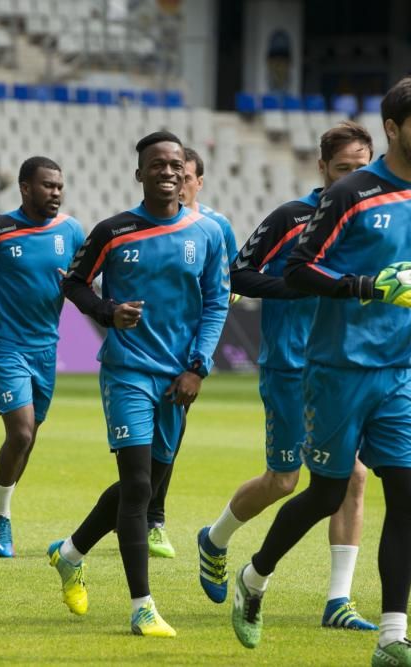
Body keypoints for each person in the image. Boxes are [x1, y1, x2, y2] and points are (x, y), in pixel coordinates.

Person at [228, 77, 411, 667]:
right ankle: (254, 577)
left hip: (395, 369)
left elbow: (401, 276)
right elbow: (300, 272)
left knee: (406, 491)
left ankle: (392, 639)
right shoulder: (350, 192)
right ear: (391, 130)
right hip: (333, 369)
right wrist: (362, 287)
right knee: (326, 492)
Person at [48, 131, 229, 637]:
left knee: (144, 487)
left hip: (179, 378)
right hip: (127, 369)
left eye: (175, 164)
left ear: (186, 172)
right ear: (140, 173)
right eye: (157, 165)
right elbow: (74, 282)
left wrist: (198, 367)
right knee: (138, 487)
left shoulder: (208, 233)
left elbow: (216, 303)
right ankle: (141, 606)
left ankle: (69, 553)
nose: (168, 172)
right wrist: (107, 311)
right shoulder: (114, 231)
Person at [197, 122, 377, 633]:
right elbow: (238, 273)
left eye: (363, 169)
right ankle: (215, 538)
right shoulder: (292, 217)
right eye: (345, 169)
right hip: (289, 365)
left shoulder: (374, 224)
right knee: (284, 480)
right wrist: (299, 287)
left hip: (343, 367)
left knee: (353, 477)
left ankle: (338, 602)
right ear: (322, 169)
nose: (355, 178)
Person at [0, 157, 84, 558]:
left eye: (59, 186)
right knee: (21, 433)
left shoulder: (71, 231)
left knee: (26, 441)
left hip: (47, 347)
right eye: (47, 186)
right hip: (4, 344)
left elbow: (85, 276)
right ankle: (2, 520)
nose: (55, 192)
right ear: (25, 188)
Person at [145, 146, 239, 560]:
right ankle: (145, 516)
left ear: (198, 181)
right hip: (149, 347)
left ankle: (153, 518)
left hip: (191, 353)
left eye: (185, 177)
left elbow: (233, 278)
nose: (177, 183)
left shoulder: (215, 226)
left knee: (171, 434)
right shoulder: (147, 222)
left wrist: (222, 300)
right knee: (138, 441)